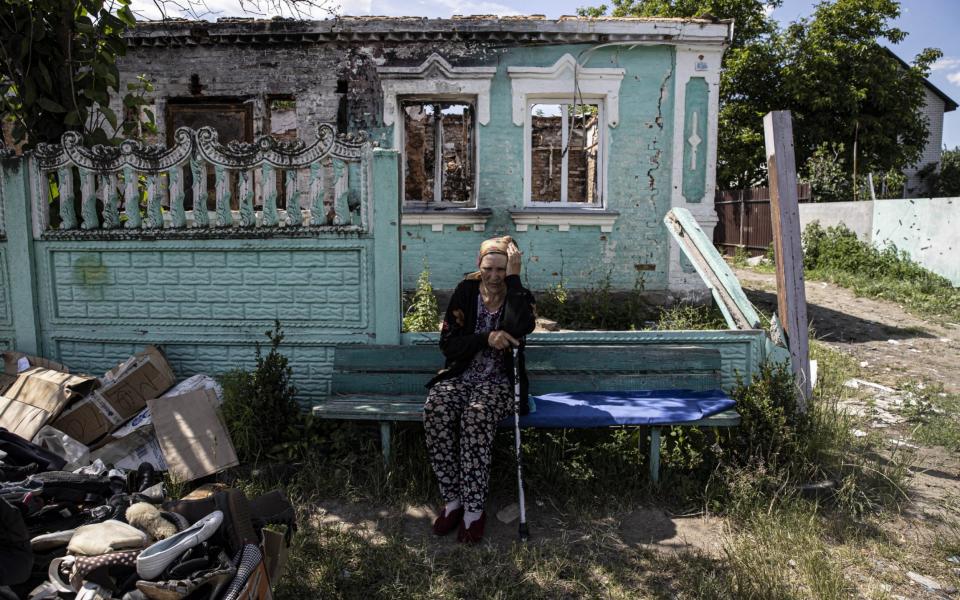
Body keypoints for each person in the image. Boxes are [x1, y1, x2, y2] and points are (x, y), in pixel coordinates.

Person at [423, 235, 536, 543]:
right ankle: (453, 501)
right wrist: (486, 337)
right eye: (489, 268)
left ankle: (474, 510)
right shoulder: (465, 292)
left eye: (502, 270)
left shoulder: (519, 295)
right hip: (461, 377)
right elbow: (448, 344)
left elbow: (521, 326)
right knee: (436, 409)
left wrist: (515, 280)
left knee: (475, 418)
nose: (494, 276)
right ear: (479, 265)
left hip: (499, 383)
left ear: (510, 269)